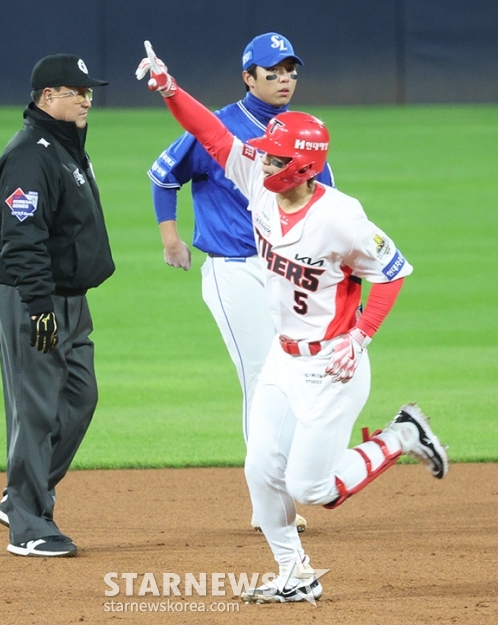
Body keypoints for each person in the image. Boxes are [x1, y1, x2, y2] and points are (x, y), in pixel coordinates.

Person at [136, 42, 449, 603]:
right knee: (261, 469)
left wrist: (362, 335)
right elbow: (210, 133)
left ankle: (402, 435)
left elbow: (394, 271)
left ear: (303, 165)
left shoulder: (341, 218)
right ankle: (295, 573)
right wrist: (168, 88)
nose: (263, 160)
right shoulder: (259, 178)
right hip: (285, 359)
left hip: (333, 364)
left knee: (314, 489)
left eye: (276, 157)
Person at [148, 33, 334, 533]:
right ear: (248, 77)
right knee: (262, 378)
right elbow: (164, 175)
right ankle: (270, 505)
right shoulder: (226, 130)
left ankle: (281, 491)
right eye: (272, 72)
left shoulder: (298, 132)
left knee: (295, 379)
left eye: (290, 70)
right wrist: (171, 239)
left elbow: (326, 206)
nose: (284, 80)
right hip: (234, 270)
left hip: (289, 272)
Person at [0, 53, 115, 557]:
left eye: (87, 91)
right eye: (74, 90)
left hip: (71, 298)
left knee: (80, 396)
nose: (85, 98)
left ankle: (22, 494)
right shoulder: (30, 155)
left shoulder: (63, 146)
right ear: (46, 98)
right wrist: (37, 305)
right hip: (33, 296)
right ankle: (29, 526)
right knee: (36, 409)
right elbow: (21, 239)